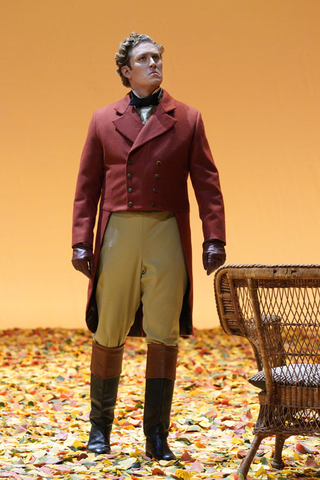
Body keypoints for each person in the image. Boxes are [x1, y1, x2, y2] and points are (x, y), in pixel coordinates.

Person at [71, 32, 226, 460]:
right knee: (108, 330)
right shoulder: (103, 119)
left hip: (164, 232)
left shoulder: (188, 118)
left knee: (163, 335)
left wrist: (215, 235)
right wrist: (82, 241)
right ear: (126, 70)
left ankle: (156, 434)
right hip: (118, 232)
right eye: (144, 58)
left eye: (158, 57)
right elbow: (87, 188)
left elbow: (207, 185)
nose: (155, 63)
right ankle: (99, 428)